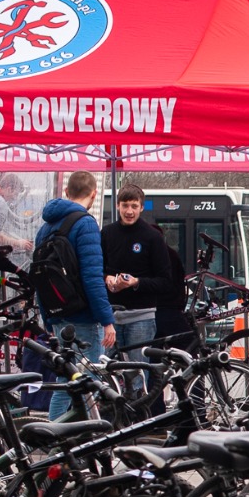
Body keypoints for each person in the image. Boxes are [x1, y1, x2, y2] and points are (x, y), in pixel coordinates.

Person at [34, 171, 113, 420]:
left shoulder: (45, 228)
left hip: (58, 315)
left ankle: (64, 439)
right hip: (83, 317)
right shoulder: (86, 224)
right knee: (82, 383)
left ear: (67, 193)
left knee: (68, 379)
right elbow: (92, 277)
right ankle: (61, 439)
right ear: (93, 194)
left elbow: (39, 277)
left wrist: (48, 318)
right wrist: (107, 319)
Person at [101, 183, 182, 356]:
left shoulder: (153, 237)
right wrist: (107, 278)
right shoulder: (107, 233)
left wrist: (136, 282)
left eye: (134, 206)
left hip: (141, 317)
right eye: (125, 206)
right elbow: (99, 269)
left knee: (138, 374)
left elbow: (166, 281)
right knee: (107, 373)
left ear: (141, 207)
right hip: (111, 315)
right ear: (117, 205)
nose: (129, 211)